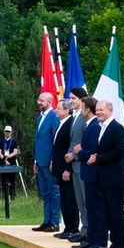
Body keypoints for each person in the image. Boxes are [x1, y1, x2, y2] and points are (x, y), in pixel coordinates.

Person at [90, 96, 124, 248]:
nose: (98, 112)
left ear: (110, 111)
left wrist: (99, 158)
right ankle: (113, 245)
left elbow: (119, 151)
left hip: (114, 177)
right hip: (103, 177)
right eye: (97, 110)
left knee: (116, 213)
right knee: (108, 213)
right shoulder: (101, 127)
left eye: (101, 110)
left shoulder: (117, 128)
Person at [72, 98, 106, 248]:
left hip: (93, 172)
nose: (81, 111)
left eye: (83, 108)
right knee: (90, 208)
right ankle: (91, 239)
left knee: (95, 209)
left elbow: (94, 150)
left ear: (87, 110)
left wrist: (80, 151)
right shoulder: (89, 125)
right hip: (88, 172)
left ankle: (97, 241)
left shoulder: (93, 126)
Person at [50, 99, 79, 240]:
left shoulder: (70, 124)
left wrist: (67, 169)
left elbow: (69, 147)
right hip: (59, 168)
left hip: (66, 169)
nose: (56, 110)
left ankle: (73, 228)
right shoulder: (61, 124)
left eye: (59, 108)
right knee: (64, 199)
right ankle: (67, 227)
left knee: (70, 198)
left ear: (67, 110)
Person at [32, 91, 60, 232]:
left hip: (49, 161)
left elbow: (55, 140)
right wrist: (36, 160)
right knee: (45, 192)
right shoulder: (40, 117)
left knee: (53, 191)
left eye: (41, 100)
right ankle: (46, 220)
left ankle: (55, 222)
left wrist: (53, 160)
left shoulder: (53, 117)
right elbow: (39, 140)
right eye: (38, 99)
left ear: (49, 101)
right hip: (40, 161)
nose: (39, 102)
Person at [66, 87, 89, 238]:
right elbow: (73, 140)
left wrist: (74, 155)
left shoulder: (86, 118)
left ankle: (89, 232)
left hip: (82, 164)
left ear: (82, 100)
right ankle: (84, 229)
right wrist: (69, 154)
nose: (70, 101)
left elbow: (85, 142)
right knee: (80, 201)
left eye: (73, 98)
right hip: (74, 165)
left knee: (86, 201)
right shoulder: (75, 116)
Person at [0, 125, 20, 210]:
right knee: (4, 180)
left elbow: (15, 151)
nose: (7, 133)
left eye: (9, 132)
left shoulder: (14, 141)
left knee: (12, 180)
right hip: (2, 163)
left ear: (11, 133)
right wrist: (4, 158)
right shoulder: (1, 141)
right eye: (6, 131)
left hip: (11, 163)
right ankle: (6, 196)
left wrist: (8, 157)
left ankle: (13, 196)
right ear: (4, 132)